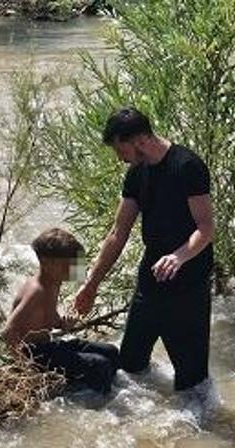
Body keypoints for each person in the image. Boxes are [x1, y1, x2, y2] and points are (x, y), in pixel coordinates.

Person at [74, 107, 215, 392]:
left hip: (189, 283)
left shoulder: (187, 166)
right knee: (130, 367)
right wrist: (91, 284)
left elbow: (206, 228)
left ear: (139, 140)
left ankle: (197, 421)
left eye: (120, 149)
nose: (120, 158)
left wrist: (178, 256)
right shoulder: (137, 173)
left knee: (192, 383)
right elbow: (118, 233)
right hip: (150, 281)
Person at [2, 227, 120, 395]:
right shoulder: (36, 290)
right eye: (66, 265)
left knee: (110, 352)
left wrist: (63, 323)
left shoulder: (54, 282)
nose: (72, 269)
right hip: (35, 353)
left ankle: (110, 390)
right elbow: (8, 331)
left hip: (49, 346)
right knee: (99, 364)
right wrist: (25, 368)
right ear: (46, 262)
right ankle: (100, 401)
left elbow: (45, 318)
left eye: (73, 263)